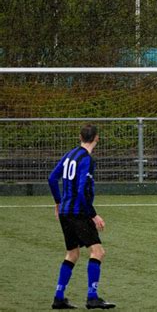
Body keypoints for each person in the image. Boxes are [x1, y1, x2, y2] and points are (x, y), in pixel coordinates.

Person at [48, 124, 116, 309]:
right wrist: (93, 215)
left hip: (65, 212)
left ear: (80, 137)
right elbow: (81, 191)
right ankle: (92, 297)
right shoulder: (86, 159)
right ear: (97, 138)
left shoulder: (70, 154)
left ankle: (58, 297)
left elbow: (52, 178)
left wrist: (57, 202)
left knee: (72, 253)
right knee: (98, 252)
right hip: (79, 213)